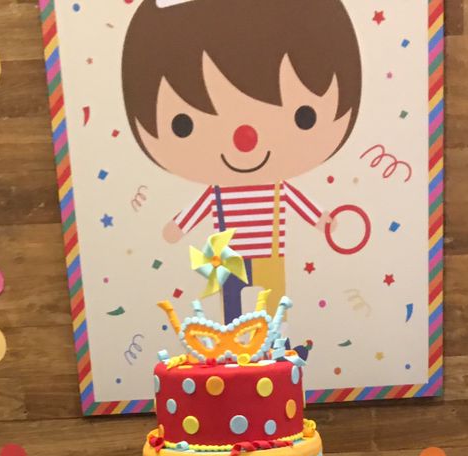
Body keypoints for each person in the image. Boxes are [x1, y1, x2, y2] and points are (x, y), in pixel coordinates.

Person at [122, 0, 362, 321]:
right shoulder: (217, 195)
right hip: (228, 258)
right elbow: (198, 209)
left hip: (270, 256)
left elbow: (301, 204)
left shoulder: (277, 190)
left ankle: (274, 341)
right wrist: (178, 226)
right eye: (183, 125)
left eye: (304, 116)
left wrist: (324, 221)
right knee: (232, 307)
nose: (245, 140)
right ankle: (236, 336)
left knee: (274, 308)